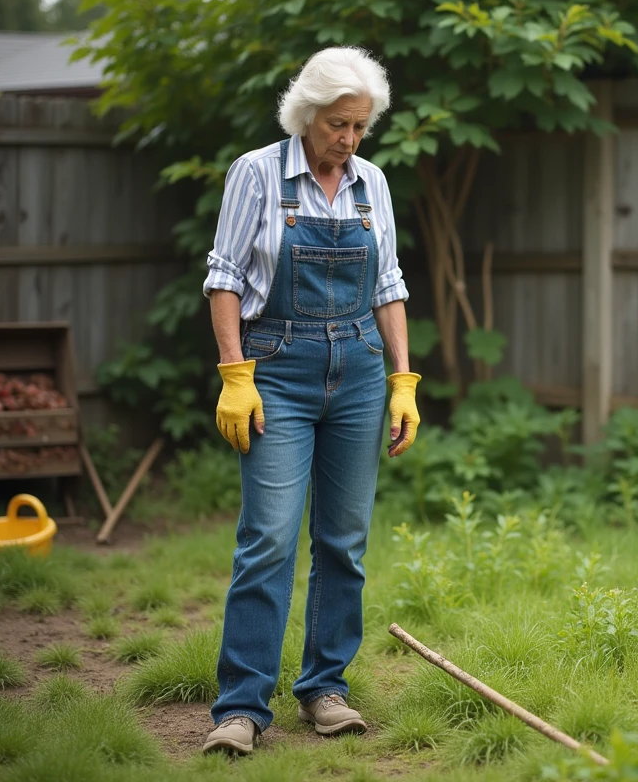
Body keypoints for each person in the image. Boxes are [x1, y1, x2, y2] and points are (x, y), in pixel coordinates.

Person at [199, 45, 420, 756]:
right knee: (269, 538)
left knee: (344, 542)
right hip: (277, 369)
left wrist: (402, 381)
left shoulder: (371, 183)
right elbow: (225, 277)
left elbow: (387, 284)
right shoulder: (257, 173)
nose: (349, 139)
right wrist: (235, 374)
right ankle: (241, 707)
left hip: (358, 369)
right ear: (307, 114)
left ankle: (325, 689)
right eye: (337, 125)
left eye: (360, 126)